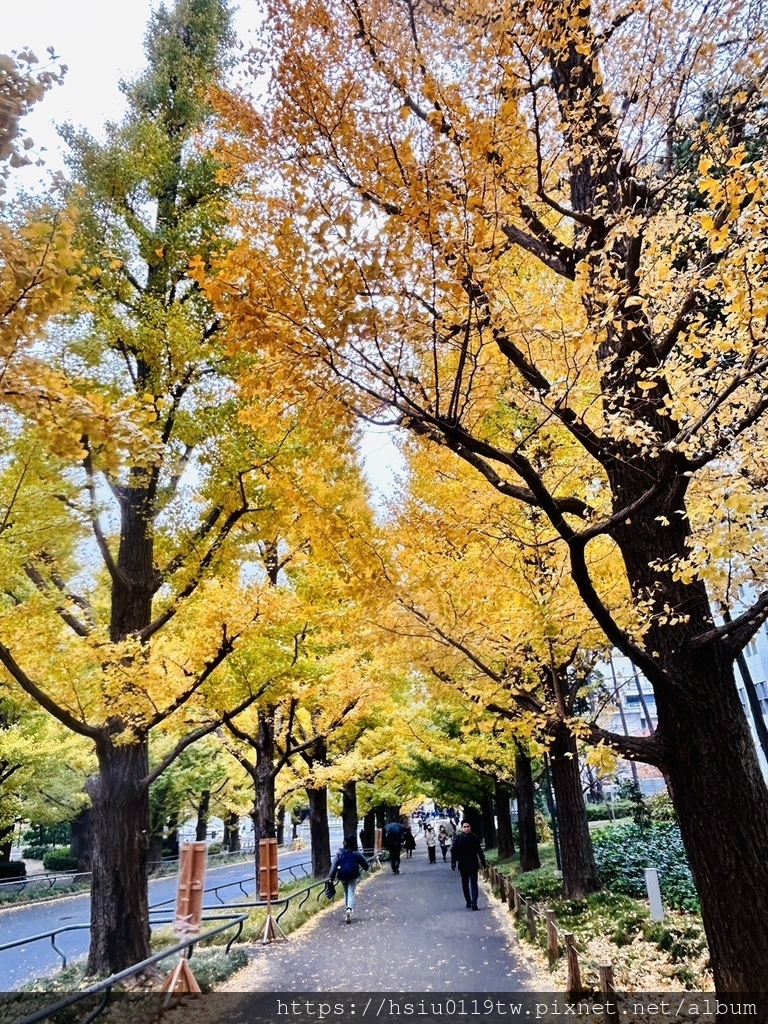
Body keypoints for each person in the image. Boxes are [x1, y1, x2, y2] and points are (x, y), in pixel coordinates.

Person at [329, 835, 370, 924]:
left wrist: (331, 878)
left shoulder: (339, 852)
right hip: (353, 875)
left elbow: (334, 865)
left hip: (342, 875)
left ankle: (347, 908)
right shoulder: (356, 853)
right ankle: (349, 909)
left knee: (346, 891)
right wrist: (367, 869)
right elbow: (365, 864)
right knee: (351, 891)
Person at [451, 819, 487, 910]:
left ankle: (474, 902)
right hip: (463, 865)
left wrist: (483, 863)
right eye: (464, 827)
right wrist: (453, 862)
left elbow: (479, 851)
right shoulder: (458, 838)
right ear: (462, 828)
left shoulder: (474, 838)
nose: (466, 828)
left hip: (473, 864)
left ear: (470, 827)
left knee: (474, 883)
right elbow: (454, 850)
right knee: (465, 884)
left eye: (468, 827)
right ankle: (468, 900)